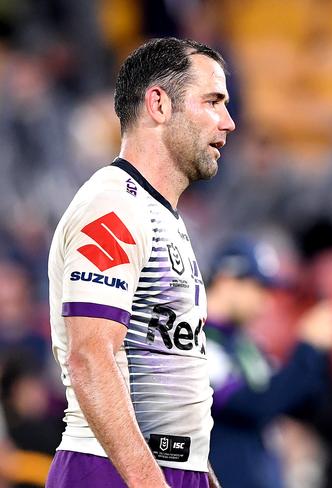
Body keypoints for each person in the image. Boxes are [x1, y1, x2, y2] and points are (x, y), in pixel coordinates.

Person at [47, 37, 235, 487]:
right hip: (112, 470)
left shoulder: (157, 212)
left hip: (164, 468)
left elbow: (173, 361)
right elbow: (91, 357)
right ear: (159, 104)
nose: (228, 122)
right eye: (212, 101)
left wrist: (199, 471)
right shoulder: (113, 207)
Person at [204, 238, 332, 488]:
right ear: (226, 279)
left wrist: (319, 352)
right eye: (259, 288)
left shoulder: (247, 345)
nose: (266, 302)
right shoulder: (195, 340)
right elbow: (252, 404)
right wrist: (307, 347)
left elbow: (298, 402)